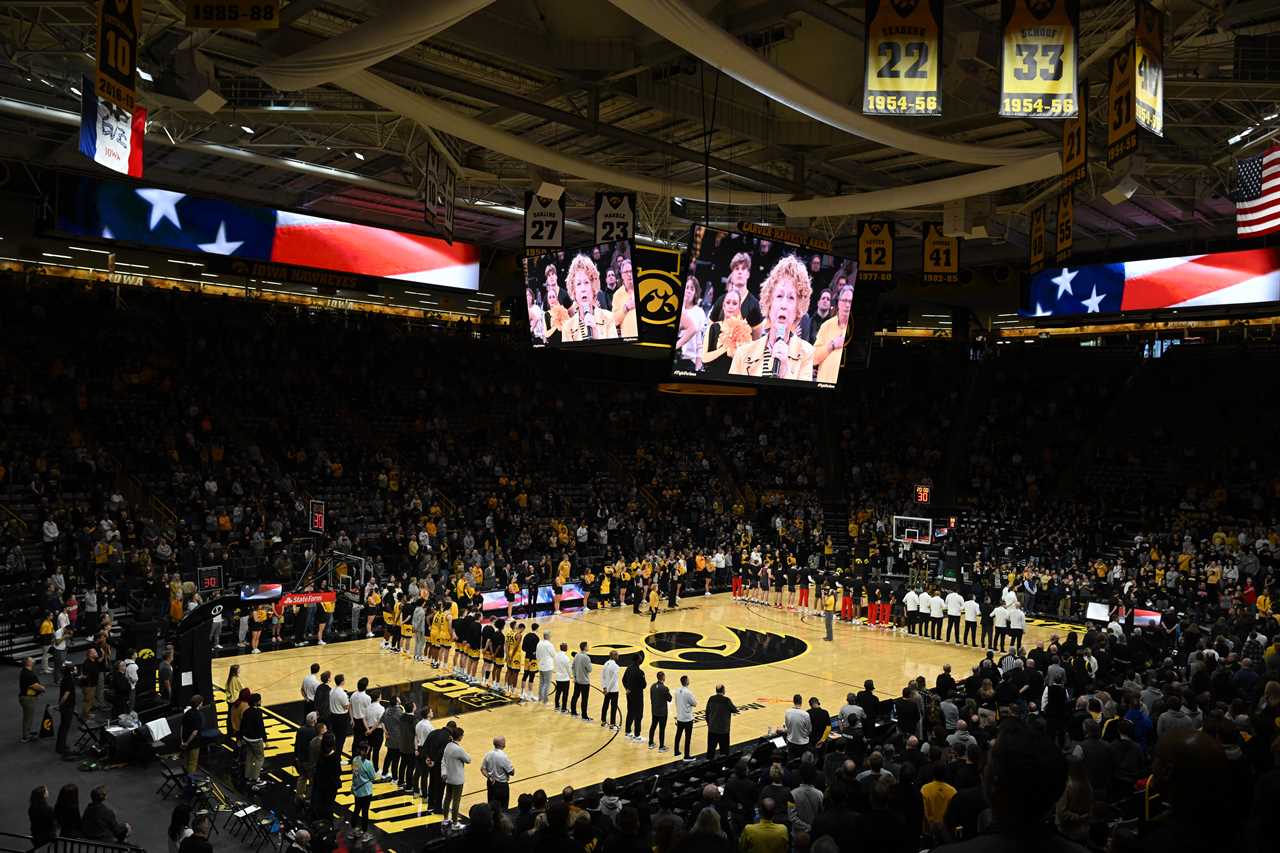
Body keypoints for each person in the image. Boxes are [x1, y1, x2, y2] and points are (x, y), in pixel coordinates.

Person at [728, 255, 814, 380]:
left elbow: (805, 398)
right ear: (769, 303)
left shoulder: (806, 353)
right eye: (779, 296)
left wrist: (785, 373)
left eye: (791, 298)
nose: (783, 305)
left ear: (798, 309)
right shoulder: (743, 353)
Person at [560, 254, 617, 341]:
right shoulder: (567, 328)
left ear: (593, 287)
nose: (583, 289)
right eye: (578, 284)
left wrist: (596, 333)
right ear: (574, 291)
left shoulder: (608, 317)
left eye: (586, 282)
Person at [811, 282, 852, 385]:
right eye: (844, 300)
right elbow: (814, 359)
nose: (847, 305)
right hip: (823, 385)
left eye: (850, 301)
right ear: (838, 302)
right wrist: (832, 345)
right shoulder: (826, 326)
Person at [675, 274, 707, 372]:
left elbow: (700, 342)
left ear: (695, 293)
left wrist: (698, 365)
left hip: (689, 361)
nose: (688, 291)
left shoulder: (699, 312)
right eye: (686, 287)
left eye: (692, 289)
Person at [441, 726, 471, 830]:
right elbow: (468, 759)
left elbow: (443, 761)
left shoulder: (448, 746)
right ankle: (454, 823)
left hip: (448, 778)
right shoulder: (458, 749)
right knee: (456, 801)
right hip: (457, 779)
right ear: (460, 737)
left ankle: (445, 819)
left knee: (447, 798)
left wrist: (443, 773)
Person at [480, 735, 515, 813]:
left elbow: (482, 769)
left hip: (491, 783)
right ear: (502, 744)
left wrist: (489, 776)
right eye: (504, 741)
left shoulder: (488, 754)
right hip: (501, 786)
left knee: (491, 807)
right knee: (503, 808)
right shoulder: (503, 756)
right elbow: (512, 772)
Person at [311, 733, 340, 820]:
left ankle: (318, 818)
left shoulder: (320, 753)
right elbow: (338, 772)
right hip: (330, 785)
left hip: (320, 782)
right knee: (328, 804)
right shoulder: (334, 757)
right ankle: (327, 822)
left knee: (320, 802)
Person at [350, 742, 377, 831]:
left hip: (357, 790)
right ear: (365, 751)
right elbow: (373, 777)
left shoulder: (354, 760)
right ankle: (364, 832)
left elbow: (355, 774)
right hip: (366, 792)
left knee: (356, 810)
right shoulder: (368, 764)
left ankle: (353, 829)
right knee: (365, 812)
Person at [704, 684, 736, 759]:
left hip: (712, 730)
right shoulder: (726, 700)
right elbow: (734, 709)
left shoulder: (711, 699)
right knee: (724, 752)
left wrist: (709, 724)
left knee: (710, 752)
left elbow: (707, 713)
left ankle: (708, 767)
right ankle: (724, 768)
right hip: (723, 731)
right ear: (723, 690)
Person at [18, 657, 44, 742]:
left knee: (29, 717)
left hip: (27, 697)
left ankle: (27, 732)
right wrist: (42, 688)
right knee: (28, 718)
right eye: (31, 659)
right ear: (28, 663)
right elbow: (34, 685)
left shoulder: (26, 672)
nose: (33, 660)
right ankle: (26, 737)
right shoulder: (28, 674)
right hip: (27, 699)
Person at [622, 656, 647, 742]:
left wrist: (627, 688)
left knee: (630, 712)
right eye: (640, 659)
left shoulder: (628, 668)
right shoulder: (640, 672)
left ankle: (628, 731)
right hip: (638, 696)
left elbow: (623, 680)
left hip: (629, 694)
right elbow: (644, 685)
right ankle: (637, 735)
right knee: (638, 715)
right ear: (638, 661)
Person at [673, 675, 697, 761]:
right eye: (688, 679)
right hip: (687, 718)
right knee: (688, 737)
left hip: (679, 717)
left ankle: (676, 751)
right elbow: (694, 703)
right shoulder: (688, 692)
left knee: (678, 735)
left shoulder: (676, 691)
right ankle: (687, 756)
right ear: (686, 681)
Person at [783, 694, 812, 759]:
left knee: (791, 761)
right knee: (803, 761)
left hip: (791, 741)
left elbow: (787, 727)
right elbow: (809, 729)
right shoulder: (805, 714)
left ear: (793, 701)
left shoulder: (787, 712)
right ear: (801, 702)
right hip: (803, 743)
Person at [328, 673, 350, 757]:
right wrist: (349, 702)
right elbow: (346, 706)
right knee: (341, 739)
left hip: (333, 716)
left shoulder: (332, 690)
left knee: (335, 737)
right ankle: (337, 757)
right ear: (342, 682)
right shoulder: (342, 694)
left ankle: (334, 754)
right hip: (341, 718)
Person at [649, 670, 671, 751]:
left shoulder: (652, 686)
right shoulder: (665, 688)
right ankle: (661, 747)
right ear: (663, 677)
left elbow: (651, 698)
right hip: (662, 712)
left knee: (653, 726)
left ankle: (650, 743)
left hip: (654, 710)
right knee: (662, 729)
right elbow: (670, 699)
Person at [570, 641, 593, 721]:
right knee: (584, 699)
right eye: (587, 646)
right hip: (585, 682)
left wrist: (574, 676)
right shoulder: (586, 657)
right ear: (585, 647)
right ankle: (584, 716)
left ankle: (573, 711)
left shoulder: (576, 655)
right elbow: (590, 669)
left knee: (575, 696)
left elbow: (572, 667)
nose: (588, 647)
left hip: (577, 681)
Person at [600, 650, 621, 730]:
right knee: (613, 707)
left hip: (607, 689)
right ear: (613, 656)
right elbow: (613, 680)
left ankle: (603, 721)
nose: (618, 656)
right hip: (613, 690)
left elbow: (603, 676)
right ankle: (612, 724)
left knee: (605, 705)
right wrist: (608, 689)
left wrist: (604, 687)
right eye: (617, 655)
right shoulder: (615, 666)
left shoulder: (606, 663)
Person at [535, 629, 556, 704]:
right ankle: (545, 699)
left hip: (541, 665)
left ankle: (540, 697)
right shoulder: (549, 644)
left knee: (541, 682)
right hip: (548, 666)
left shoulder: (539, 643)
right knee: (547, 683)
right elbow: (553, 654)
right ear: (548, 636)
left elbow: (537, 655)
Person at [553, 642, 572, 712]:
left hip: (558, 677)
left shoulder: (556, 655)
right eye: (566, 647)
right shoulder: (566, 658)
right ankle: (564, 708)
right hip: (565, 678)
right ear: (565, 648)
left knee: (558, 692)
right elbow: (568, 669)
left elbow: (554, 665)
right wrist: (571, 676)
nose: (567, 648)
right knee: (565, 694)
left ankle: (557, 706)